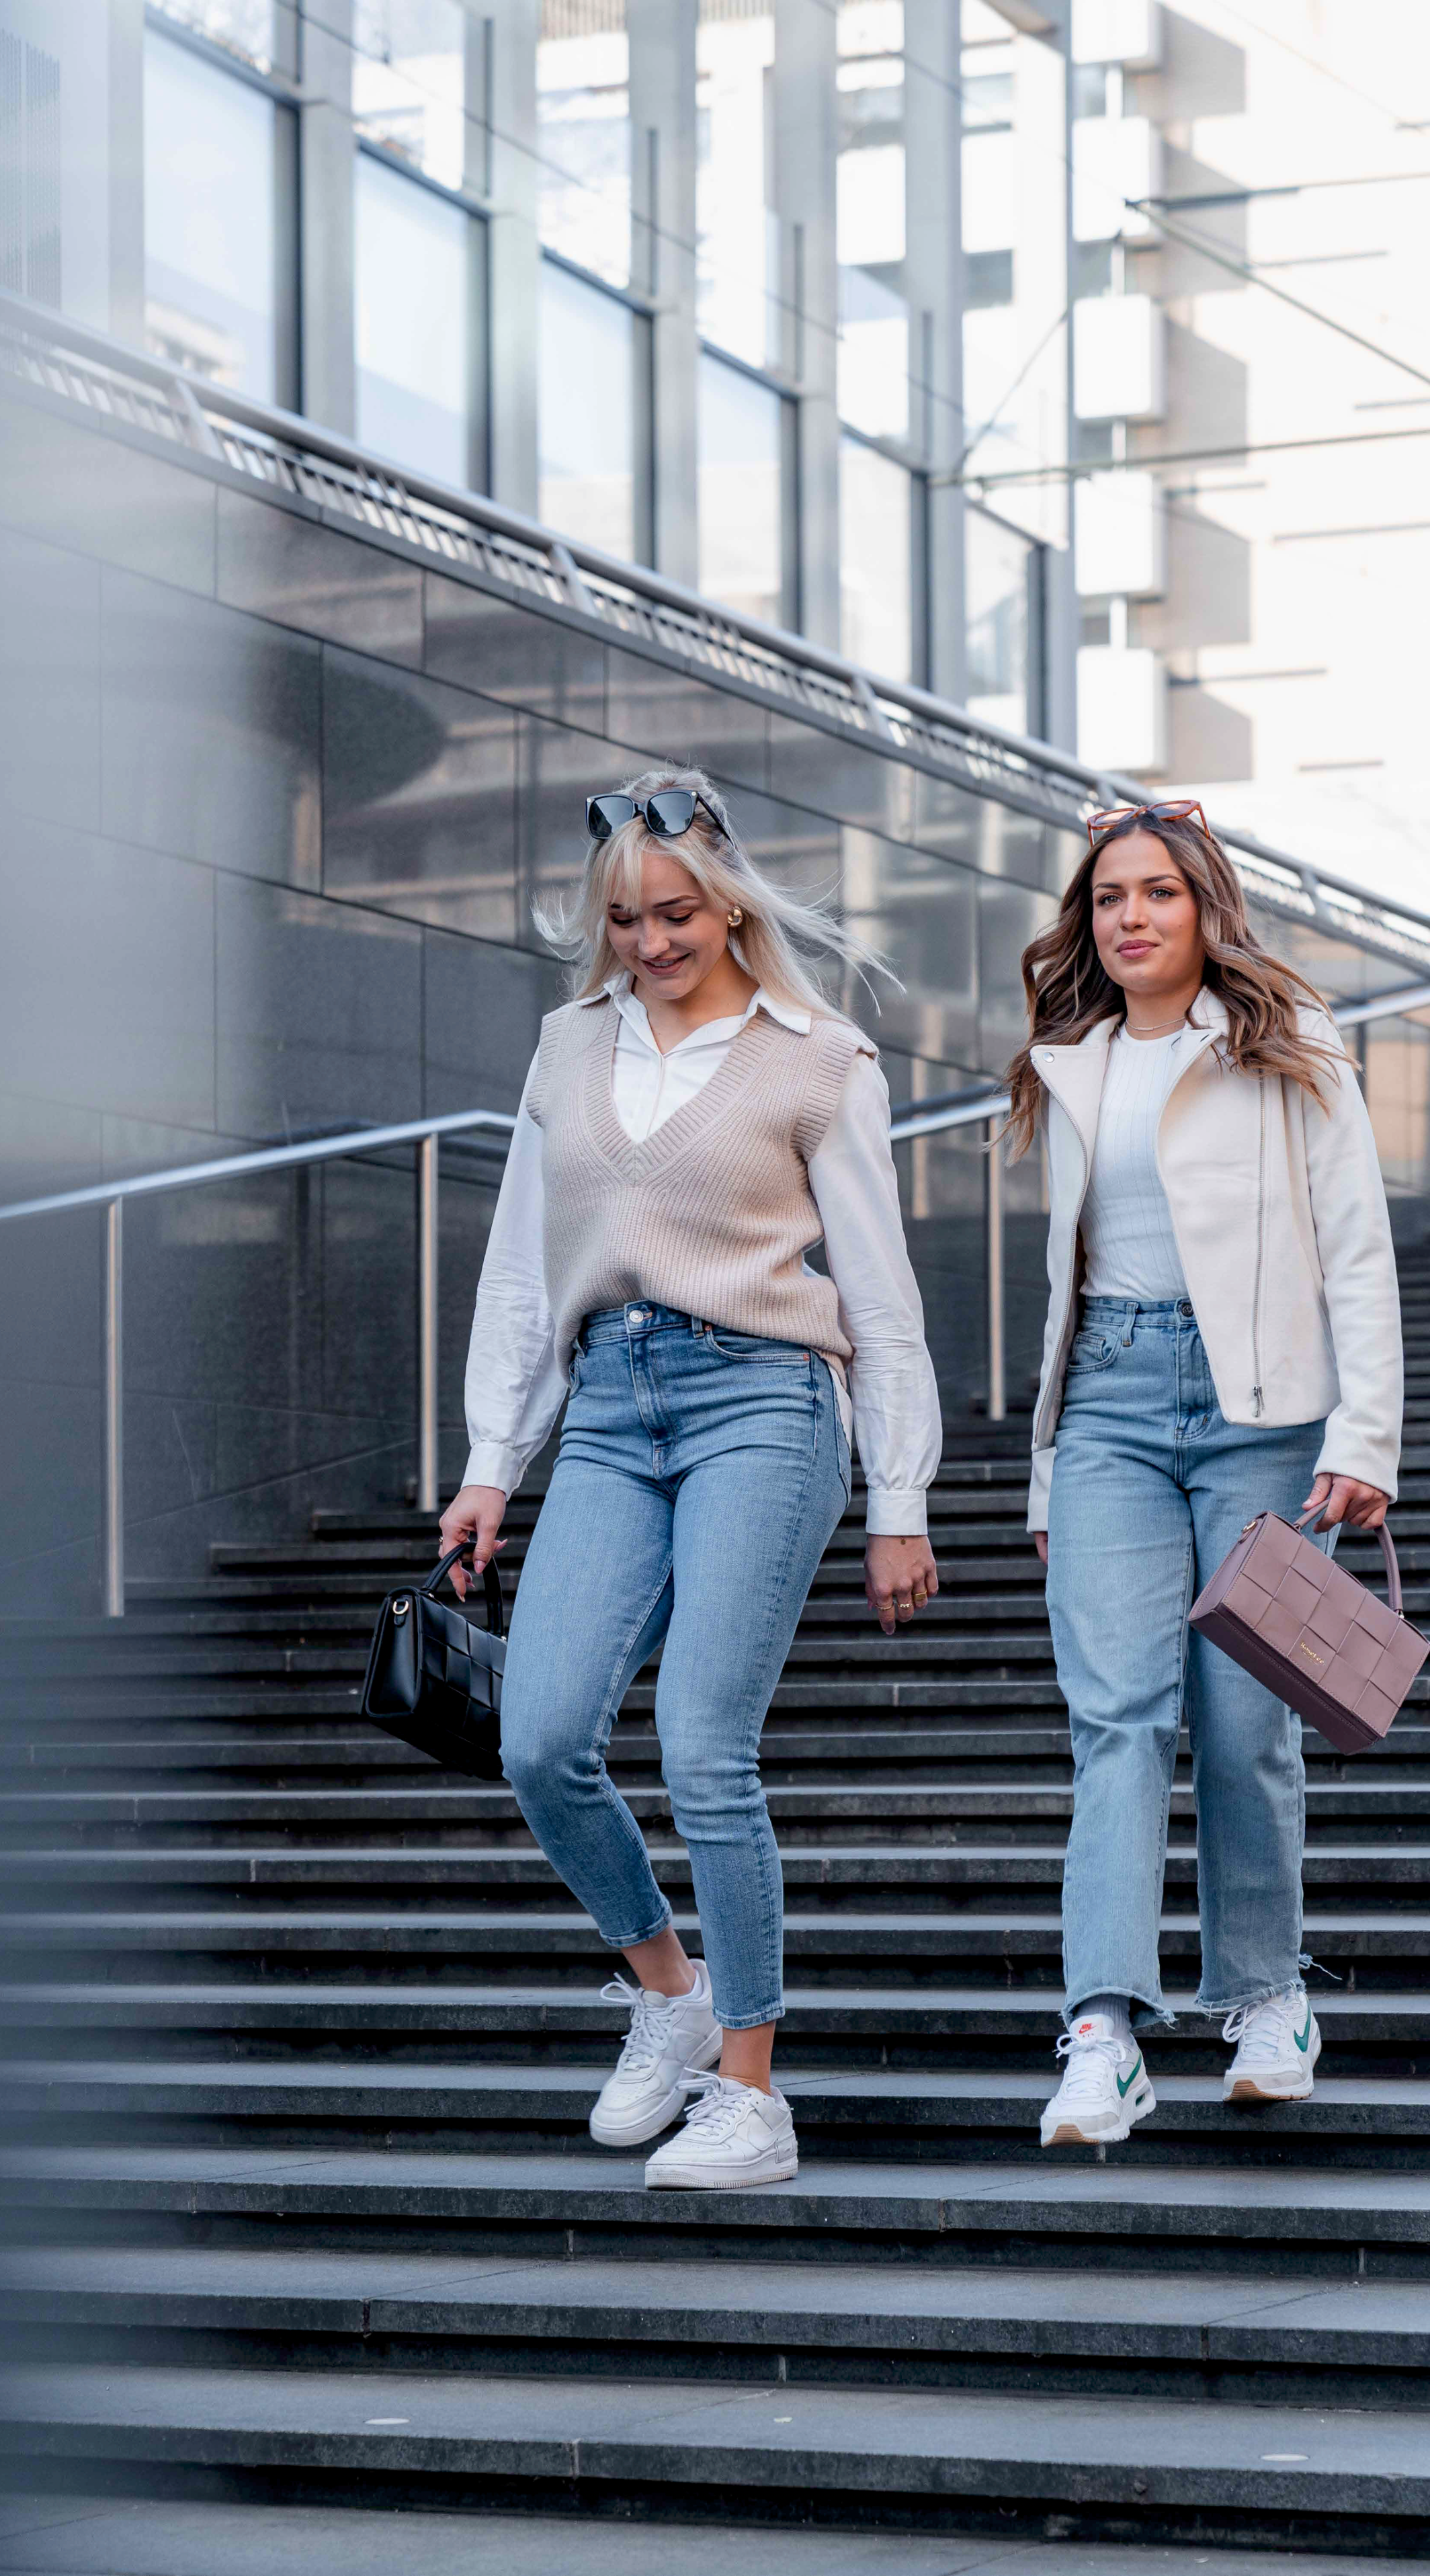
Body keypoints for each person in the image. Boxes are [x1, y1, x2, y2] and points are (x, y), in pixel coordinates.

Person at [438, 765, 941, 2191]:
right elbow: (525, 1267)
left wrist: (898, 1495)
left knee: (706, 1744)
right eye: (622, 920)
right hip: (607, 1407)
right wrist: (494, 1458)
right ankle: (663, 1987)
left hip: (764, 1401)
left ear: (727, 898)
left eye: (674, 914)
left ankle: (748, 2086)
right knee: (539, 1737)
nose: (649, 944)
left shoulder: (817, 1057)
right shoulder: (565, 1046)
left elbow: (881, 1293)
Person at [1004, 798, 1402, 2148]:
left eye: (1158, 892)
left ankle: (1265, 1995)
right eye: (1109, 896)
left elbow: (1354, 1247)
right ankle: (1102, 2029)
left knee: (1244, 1721)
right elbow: (1060, 1288)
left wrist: (1365, 1438)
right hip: (1108, 1401)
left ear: (1204, 906)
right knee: (1116, 1718)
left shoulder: (1287, 1048)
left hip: (1264, 1413)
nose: (1130, 916)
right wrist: (1047, 1470)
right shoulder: (1073, 1063)